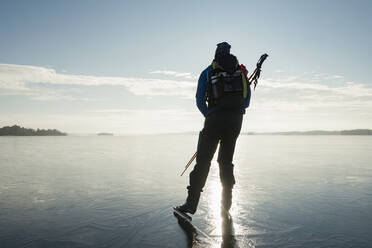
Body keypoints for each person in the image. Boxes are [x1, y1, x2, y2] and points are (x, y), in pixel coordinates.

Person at [175, 42, 251, 216]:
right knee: (226, 162)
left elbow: (199, 100)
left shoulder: (208, 72)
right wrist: (235, 112)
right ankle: (226, 206)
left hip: (214, 119)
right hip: (235, 121)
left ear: (216, 53)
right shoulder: (240, 73)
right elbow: (246, 102)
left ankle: (191, 205)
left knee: (203, 161)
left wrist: (209, 115)